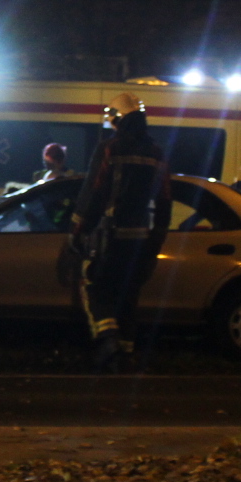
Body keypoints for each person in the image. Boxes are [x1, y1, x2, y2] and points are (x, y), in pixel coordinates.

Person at [69, 95, 170, 370]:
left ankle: (108, 340)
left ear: (118, 118)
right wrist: (156, 240)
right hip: (140, 240)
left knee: (92, 285)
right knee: (128, 295)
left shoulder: (110, 149)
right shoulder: (156, 153)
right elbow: (164, 202)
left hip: (109, 236)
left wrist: (78, 229)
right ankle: (126, 354)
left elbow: (94, 192)